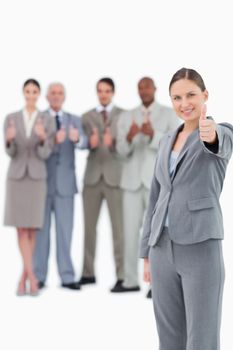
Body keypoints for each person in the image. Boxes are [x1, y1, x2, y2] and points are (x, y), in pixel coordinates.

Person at [140, 68, 233, 350]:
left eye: (191, 95)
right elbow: (155, 198)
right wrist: (146, 251)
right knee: (169, 338)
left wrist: (212, 133)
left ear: (205, 95)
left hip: (200, 247)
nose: (185, 103)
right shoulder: (166, 140)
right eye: (177, 97)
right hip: (161, 248)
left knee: (201, 339)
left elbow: (222, 144)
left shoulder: (218, 132)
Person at [116, 77, 179, 293]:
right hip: (131, 182)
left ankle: (157, 283)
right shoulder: (127, 116)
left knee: (158, 234)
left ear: (155, 89)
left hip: (158, 182)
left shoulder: (168, 114)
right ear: (137, 90)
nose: (144, 91)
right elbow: (121, 152)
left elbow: (176, 144)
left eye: (147, 87)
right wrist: (130, 136)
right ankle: (130, 281)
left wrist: (153, 134)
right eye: (140, 87)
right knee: (129, 233)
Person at [33, 82, 88, 290]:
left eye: (60, 93)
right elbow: (33, 147)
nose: (56, 96)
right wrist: (49, 139)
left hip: (66, 186)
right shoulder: (39, 119)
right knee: (41, 233)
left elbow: (84, 142)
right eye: (53, 93)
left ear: (64, 97)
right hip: (42, 184)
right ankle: (39, 276)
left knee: (66, 232)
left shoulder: (74, 119)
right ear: (47, 96)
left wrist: (77, 139)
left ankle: (67, 276)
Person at [4, 79, 55, 296]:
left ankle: (25, 276)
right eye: (28, 91)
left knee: (32, 227)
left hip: (36, 178)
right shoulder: (11, 118)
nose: (31, 95)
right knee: (20, 228)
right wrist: (8, 141)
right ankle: (31, 276)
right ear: (23, 93)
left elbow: (46, 153)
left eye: (35, 91)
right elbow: (11, 152)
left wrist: (43, 138)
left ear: (39, 94)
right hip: (16, 178)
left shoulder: (47, 119)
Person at [79, 77, 124, 292]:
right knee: (89, 228)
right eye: (100, 90)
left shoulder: (123, 115)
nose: (103, 94)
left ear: (113, 92)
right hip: (92, 178)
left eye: (107, 90)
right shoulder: (86, 117)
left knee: (119, 229)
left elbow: (126, 147)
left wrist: (112, 144)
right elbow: (80, 142)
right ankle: (88, 273)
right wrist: (90, 142)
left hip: (115, 178)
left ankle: (122, 275)